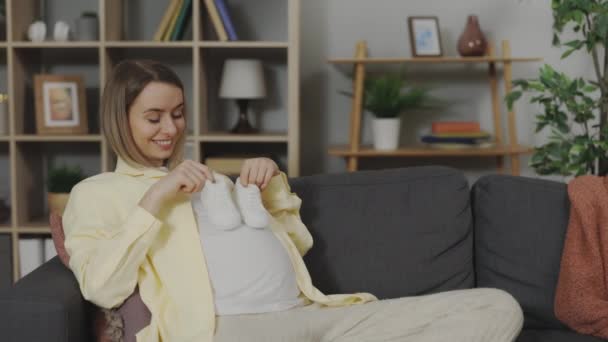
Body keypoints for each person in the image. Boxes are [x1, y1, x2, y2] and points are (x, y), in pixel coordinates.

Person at [62, 59, 524, 342]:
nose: (171, 128)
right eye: (154, 117)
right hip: (231, 331)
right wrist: (155, 196)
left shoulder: (212, 183)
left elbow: (296, 246)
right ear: (120, 120)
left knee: (498, 306)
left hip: (314, 319)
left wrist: (269, 190)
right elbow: (101, 285)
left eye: (179, 114)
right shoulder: (97, 193)